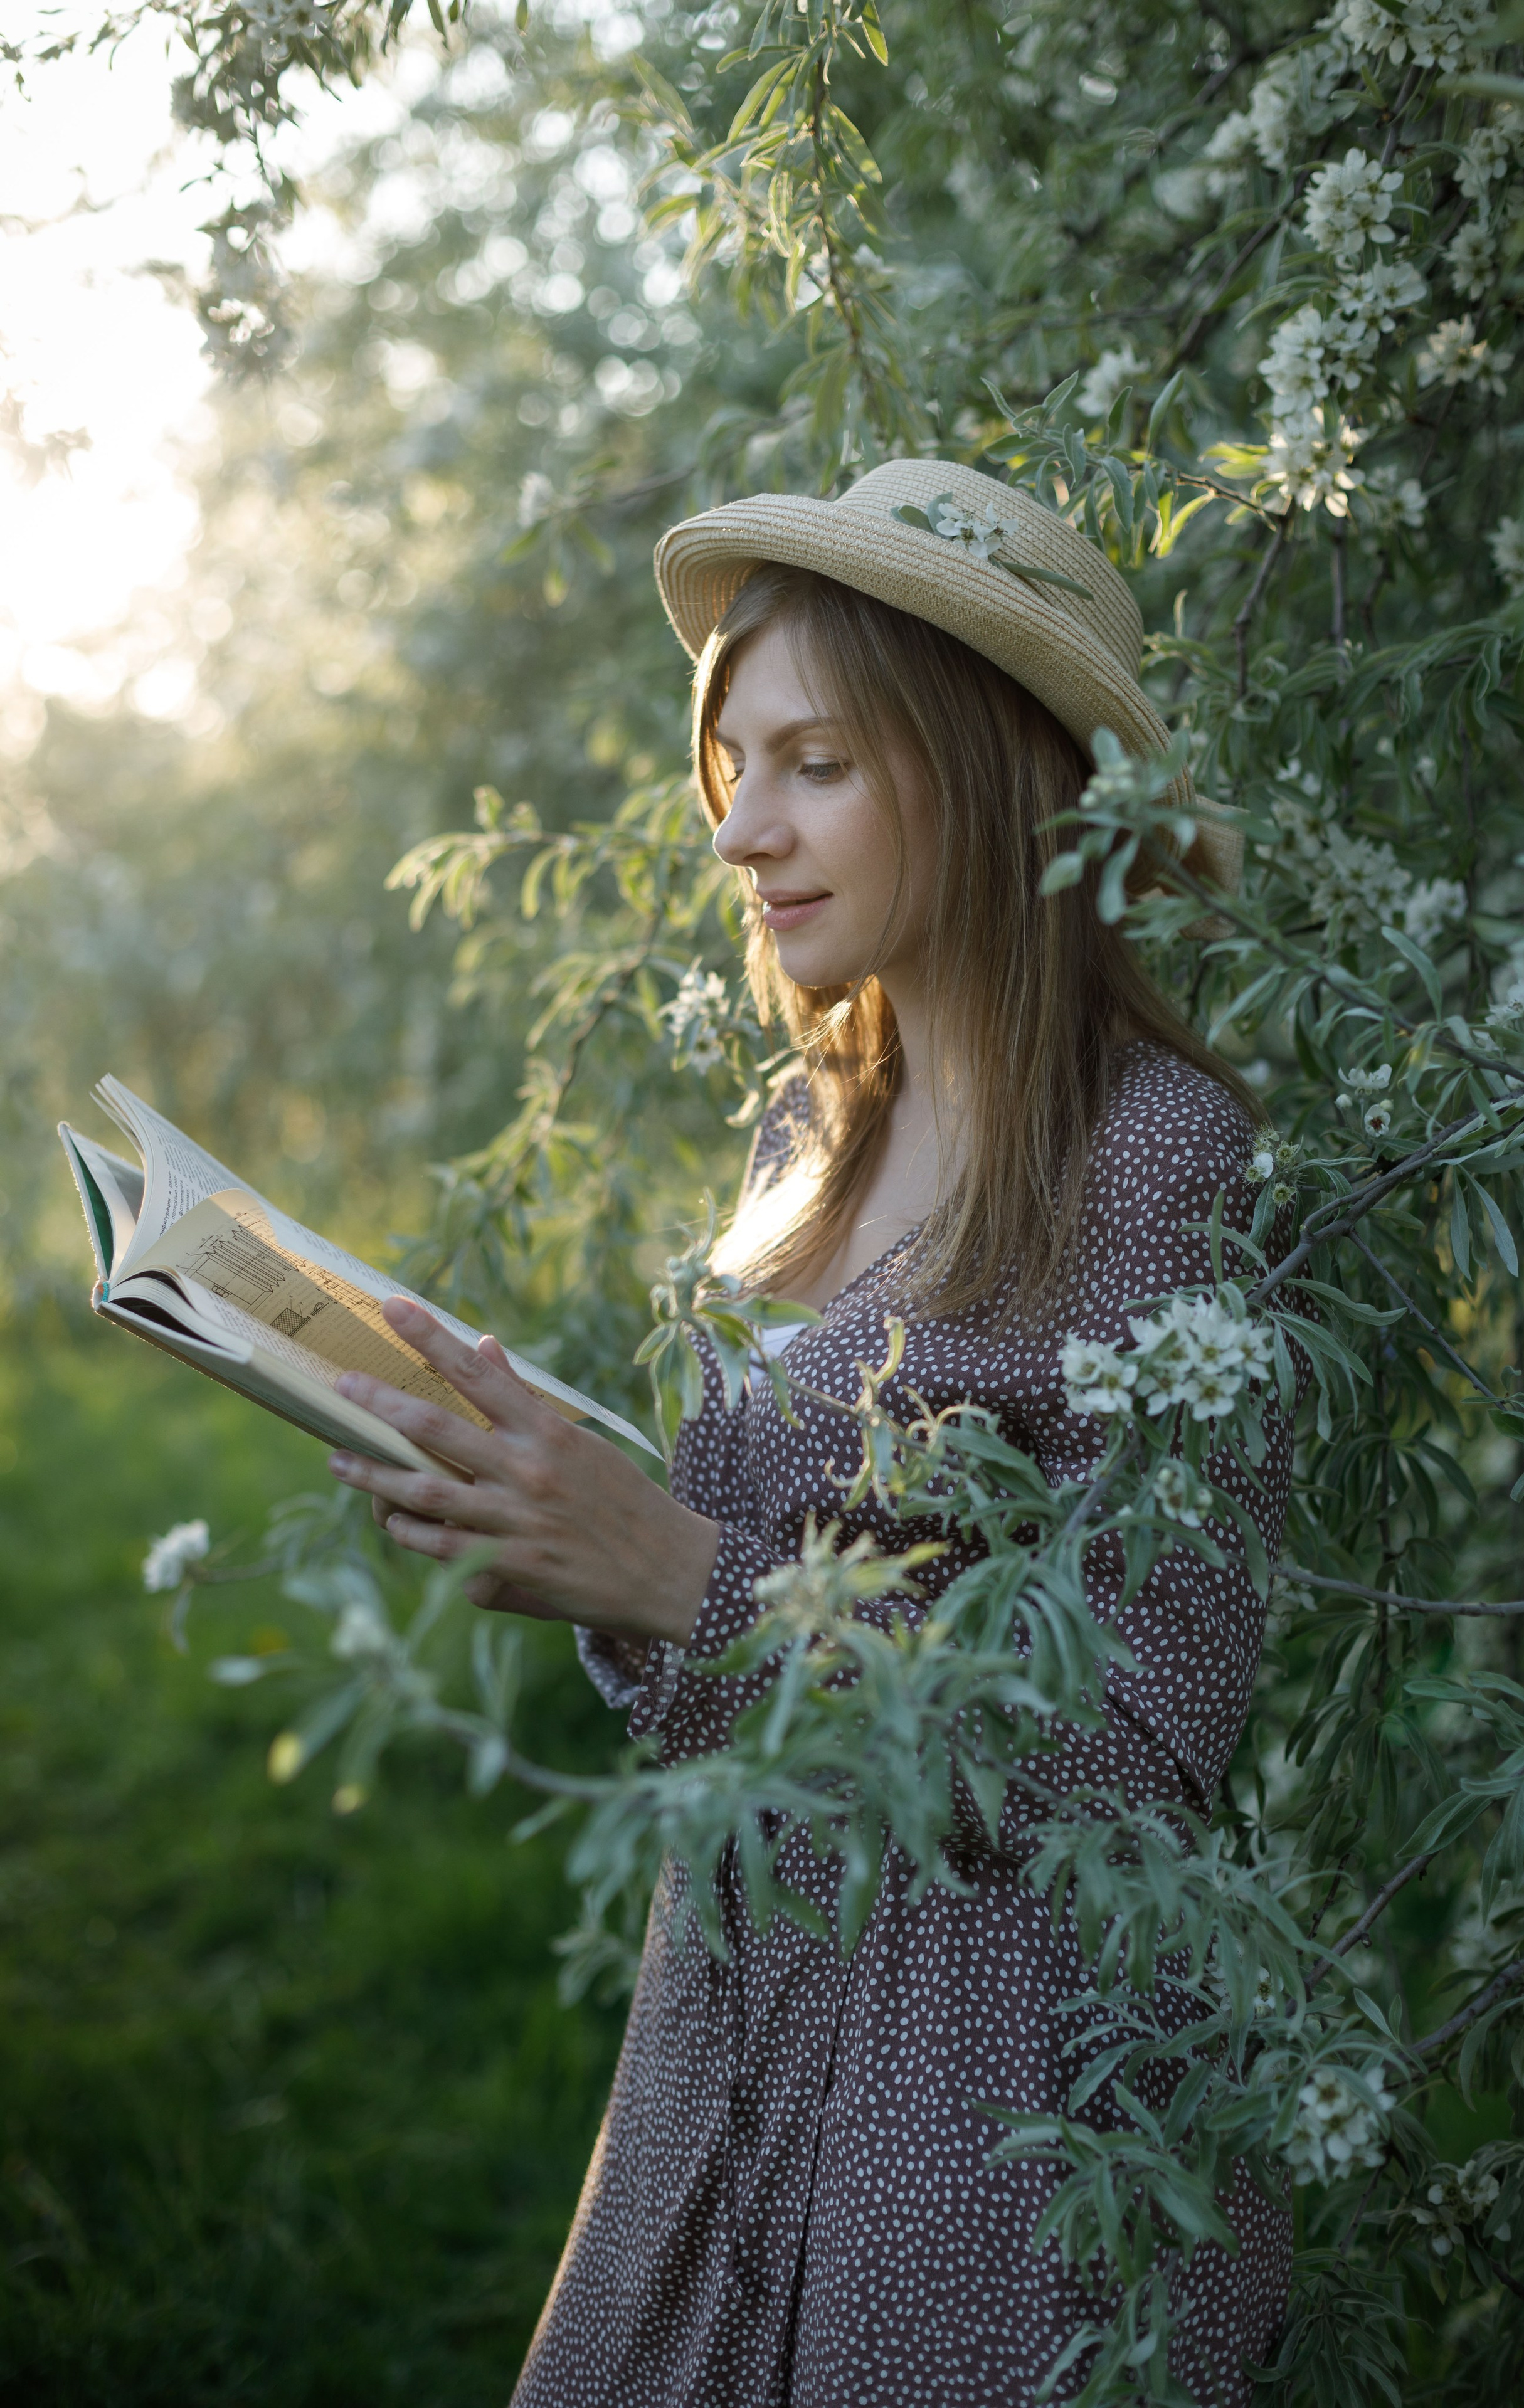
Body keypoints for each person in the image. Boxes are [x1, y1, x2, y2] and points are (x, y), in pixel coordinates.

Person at [325, 459, 1298, 2406]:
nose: (740, 828)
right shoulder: (806, 1132)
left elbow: (1138, 1758)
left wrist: (687, 1581)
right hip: (733, 2015)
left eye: (817, 764)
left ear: (992, 773)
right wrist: (550, 1499)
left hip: (994, 2101)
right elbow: (727, 1617)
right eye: (735, 766)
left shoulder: (1165, 1162)